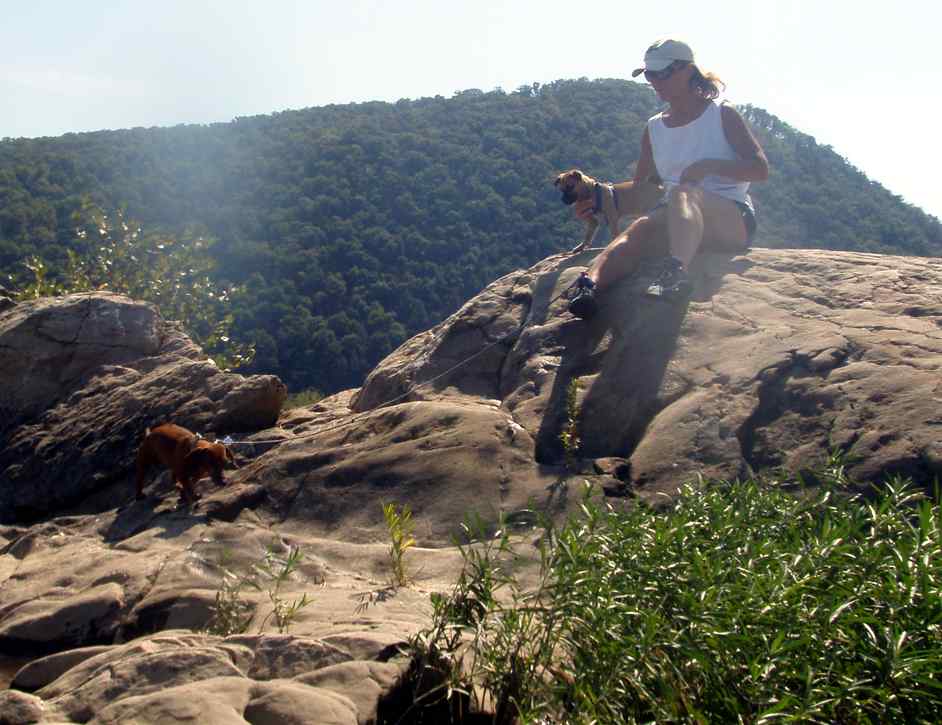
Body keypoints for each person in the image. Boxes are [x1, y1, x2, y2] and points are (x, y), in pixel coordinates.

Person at [568, 38, 769, 318]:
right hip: (679, 221)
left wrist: (708, 166)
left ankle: (675, 274)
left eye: (661, 73)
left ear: (687, 70)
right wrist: (601, 199)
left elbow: (760, 170)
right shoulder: (654, 128)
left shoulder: (722, 113)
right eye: (649, 74)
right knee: (639, 230)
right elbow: (642, 190)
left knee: (682, 194)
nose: (654, 81)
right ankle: (589, 286)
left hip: (731, 218)